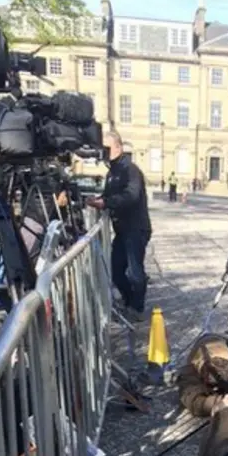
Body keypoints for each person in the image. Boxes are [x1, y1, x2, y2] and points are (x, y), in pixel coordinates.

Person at [88, 132, 151, 321]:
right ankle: (130, 301)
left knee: (135, 272)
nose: (104, 152)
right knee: (116, 270)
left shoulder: (130, 170)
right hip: (122, 230)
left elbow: (131, 196)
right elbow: (108, 196)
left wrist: (106, 203)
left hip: (136, 229)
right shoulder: (112, 172)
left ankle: (137, 308)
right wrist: (100, 200)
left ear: (118, 147)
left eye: (107, 147)